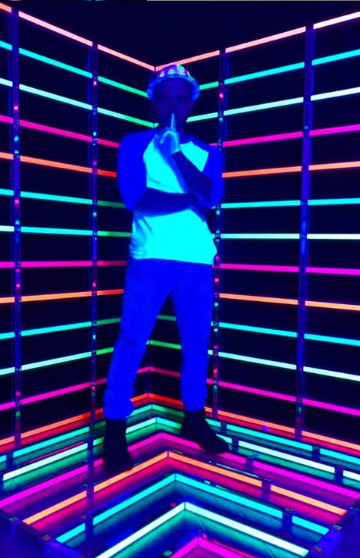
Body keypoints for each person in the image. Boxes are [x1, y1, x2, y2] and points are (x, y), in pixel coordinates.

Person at [102, 64, 229, 473]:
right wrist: (190, 196)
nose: (172, 104)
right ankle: (115, 426)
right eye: (164, 96)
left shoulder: (208, 152)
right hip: (150, 257)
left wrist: (176, 155)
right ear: (153, 101)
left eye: (180, 97)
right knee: (131, 339)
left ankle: (194, 417)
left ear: (192, 102)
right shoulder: (133, 143)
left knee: (195, 340)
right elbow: (135, 198)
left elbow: (210, 196)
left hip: (195, 260)